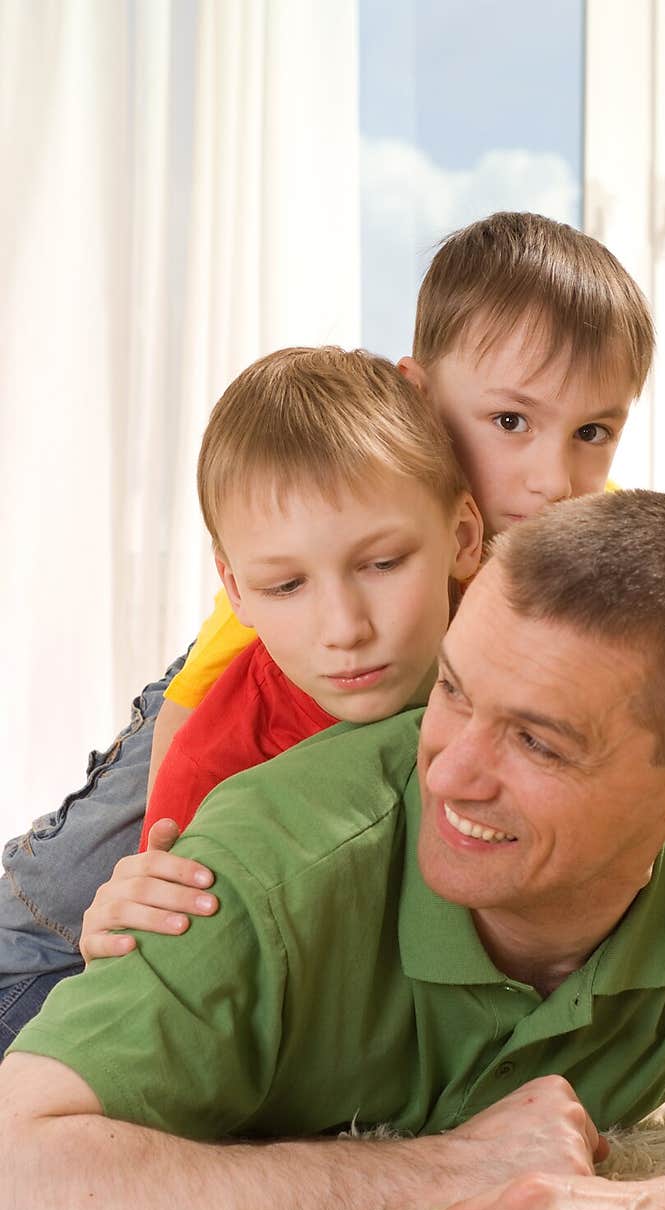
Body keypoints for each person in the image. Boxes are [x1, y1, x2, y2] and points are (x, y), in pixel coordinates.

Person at [1, 212, 665, 1049]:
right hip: (216, 716)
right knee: (73, 937)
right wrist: (166, 859)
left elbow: (656, 678)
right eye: (509, 423)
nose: (552, 477)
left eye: (592, 433)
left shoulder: (577, 532)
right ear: (418, 393)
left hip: (379, 713)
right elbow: (203, 709)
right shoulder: (342, 537)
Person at [2, 490, 665, 1210]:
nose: (451, 772)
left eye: (537, 740)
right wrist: (440, 1168)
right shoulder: (262, 869)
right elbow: (15, 1166)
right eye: (451, 690)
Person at [133, 343, 482, 845]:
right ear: (236, 590)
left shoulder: (531, 642)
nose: (345, 629)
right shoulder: (210, 775)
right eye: (286, 586)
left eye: (383, 564)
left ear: (464, 538)